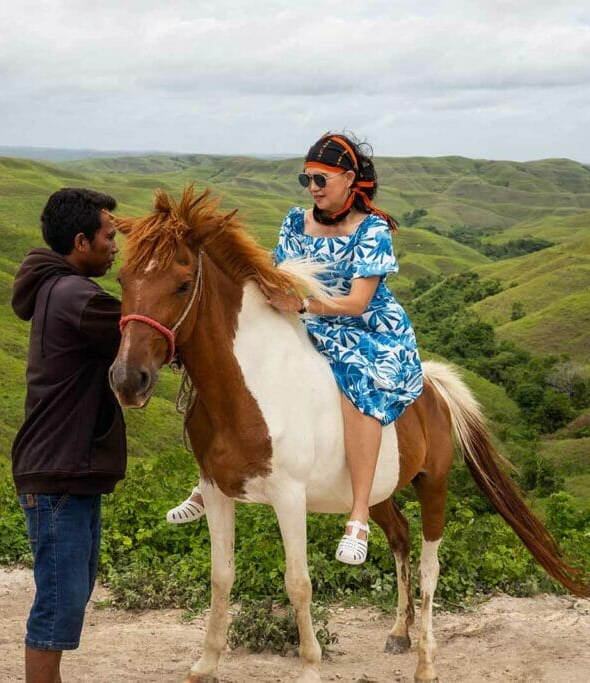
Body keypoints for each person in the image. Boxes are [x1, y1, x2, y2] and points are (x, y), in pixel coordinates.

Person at [166, 132, 423, 565]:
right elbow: (281, 271)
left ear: (349, 179)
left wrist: (301, 304)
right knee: (238, 367)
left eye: (322, 179)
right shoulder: (294, 220)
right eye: (308, 180)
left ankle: (359, 514)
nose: (314, 188)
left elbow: (359, 301)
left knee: (358, 383)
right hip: (304, 316)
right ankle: (208, 477)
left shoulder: (373, 230)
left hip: (364, 328)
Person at [10, 187, 126, 683]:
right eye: (108, 236)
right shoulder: (79, 297)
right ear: (81, 242)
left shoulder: (58, 289)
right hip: (59, 471)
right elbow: (147, 330)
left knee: (68, 595)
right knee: (57, 606)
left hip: (62, 469)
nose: (114, 246)